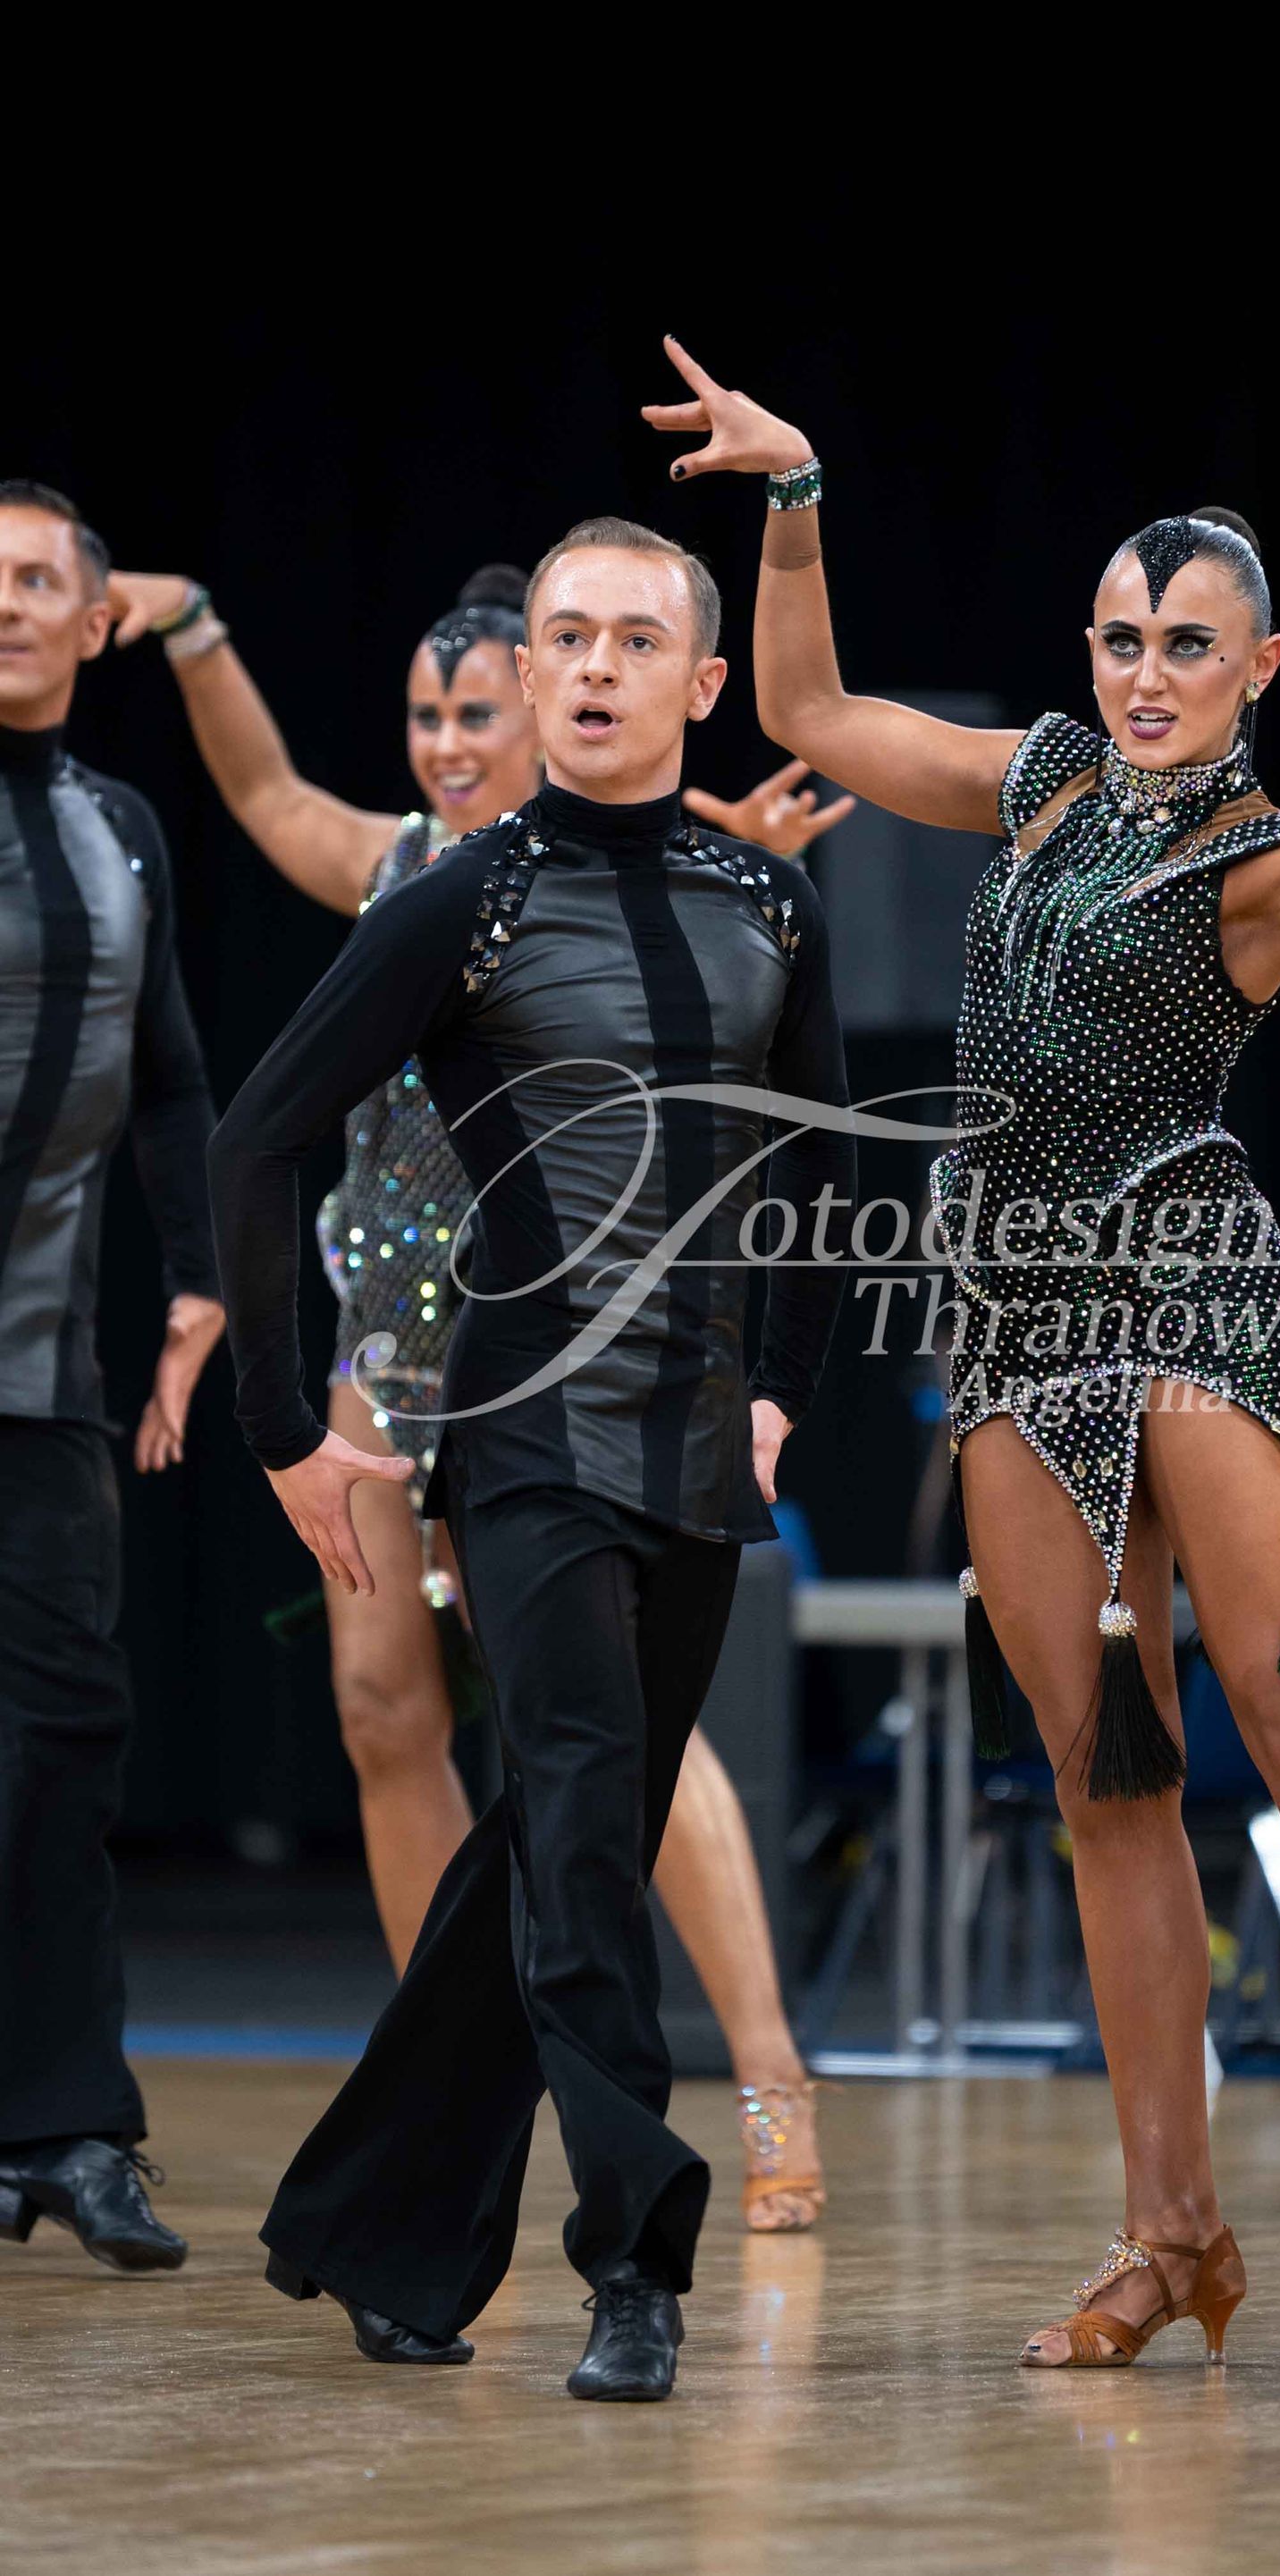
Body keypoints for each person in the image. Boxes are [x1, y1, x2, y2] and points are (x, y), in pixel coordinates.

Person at [642, 337, 1280, 2381]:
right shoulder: (1037, 785)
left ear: (1259, 665)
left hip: (1193, 1289)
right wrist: (798, 495)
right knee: (1108, 1773)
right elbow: (810, 712)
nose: (1143, 673)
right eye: (1119, 637)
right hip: (1016, 1316)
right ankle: (1171, 2226)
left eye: (1186, 644)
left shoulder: (1264, 867)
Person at [105, 558, 851, 2229]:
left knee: (614, 1749)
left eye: (470, 711)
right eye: (427, 714)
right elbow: (262, 795)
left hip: (593, 1354)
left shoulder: (666, 872)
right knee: (394, 1713)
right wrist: (200, 630)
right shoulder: (409, 876)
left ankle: (767, 2070)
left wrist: (779, 1378)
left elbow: (783, 1108)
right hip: (398, 1350)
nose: (449, 742)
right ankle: (458, 2095)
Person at [0, 483, 226, 2274]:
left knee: (67, 1736)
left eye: (33, 582)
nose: (2, 605)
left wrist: (203, 1281)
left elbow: (168, 1079)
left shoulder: (119, 826)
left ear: (94, 623)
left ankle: (67, 2124)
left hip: (40, 1373)